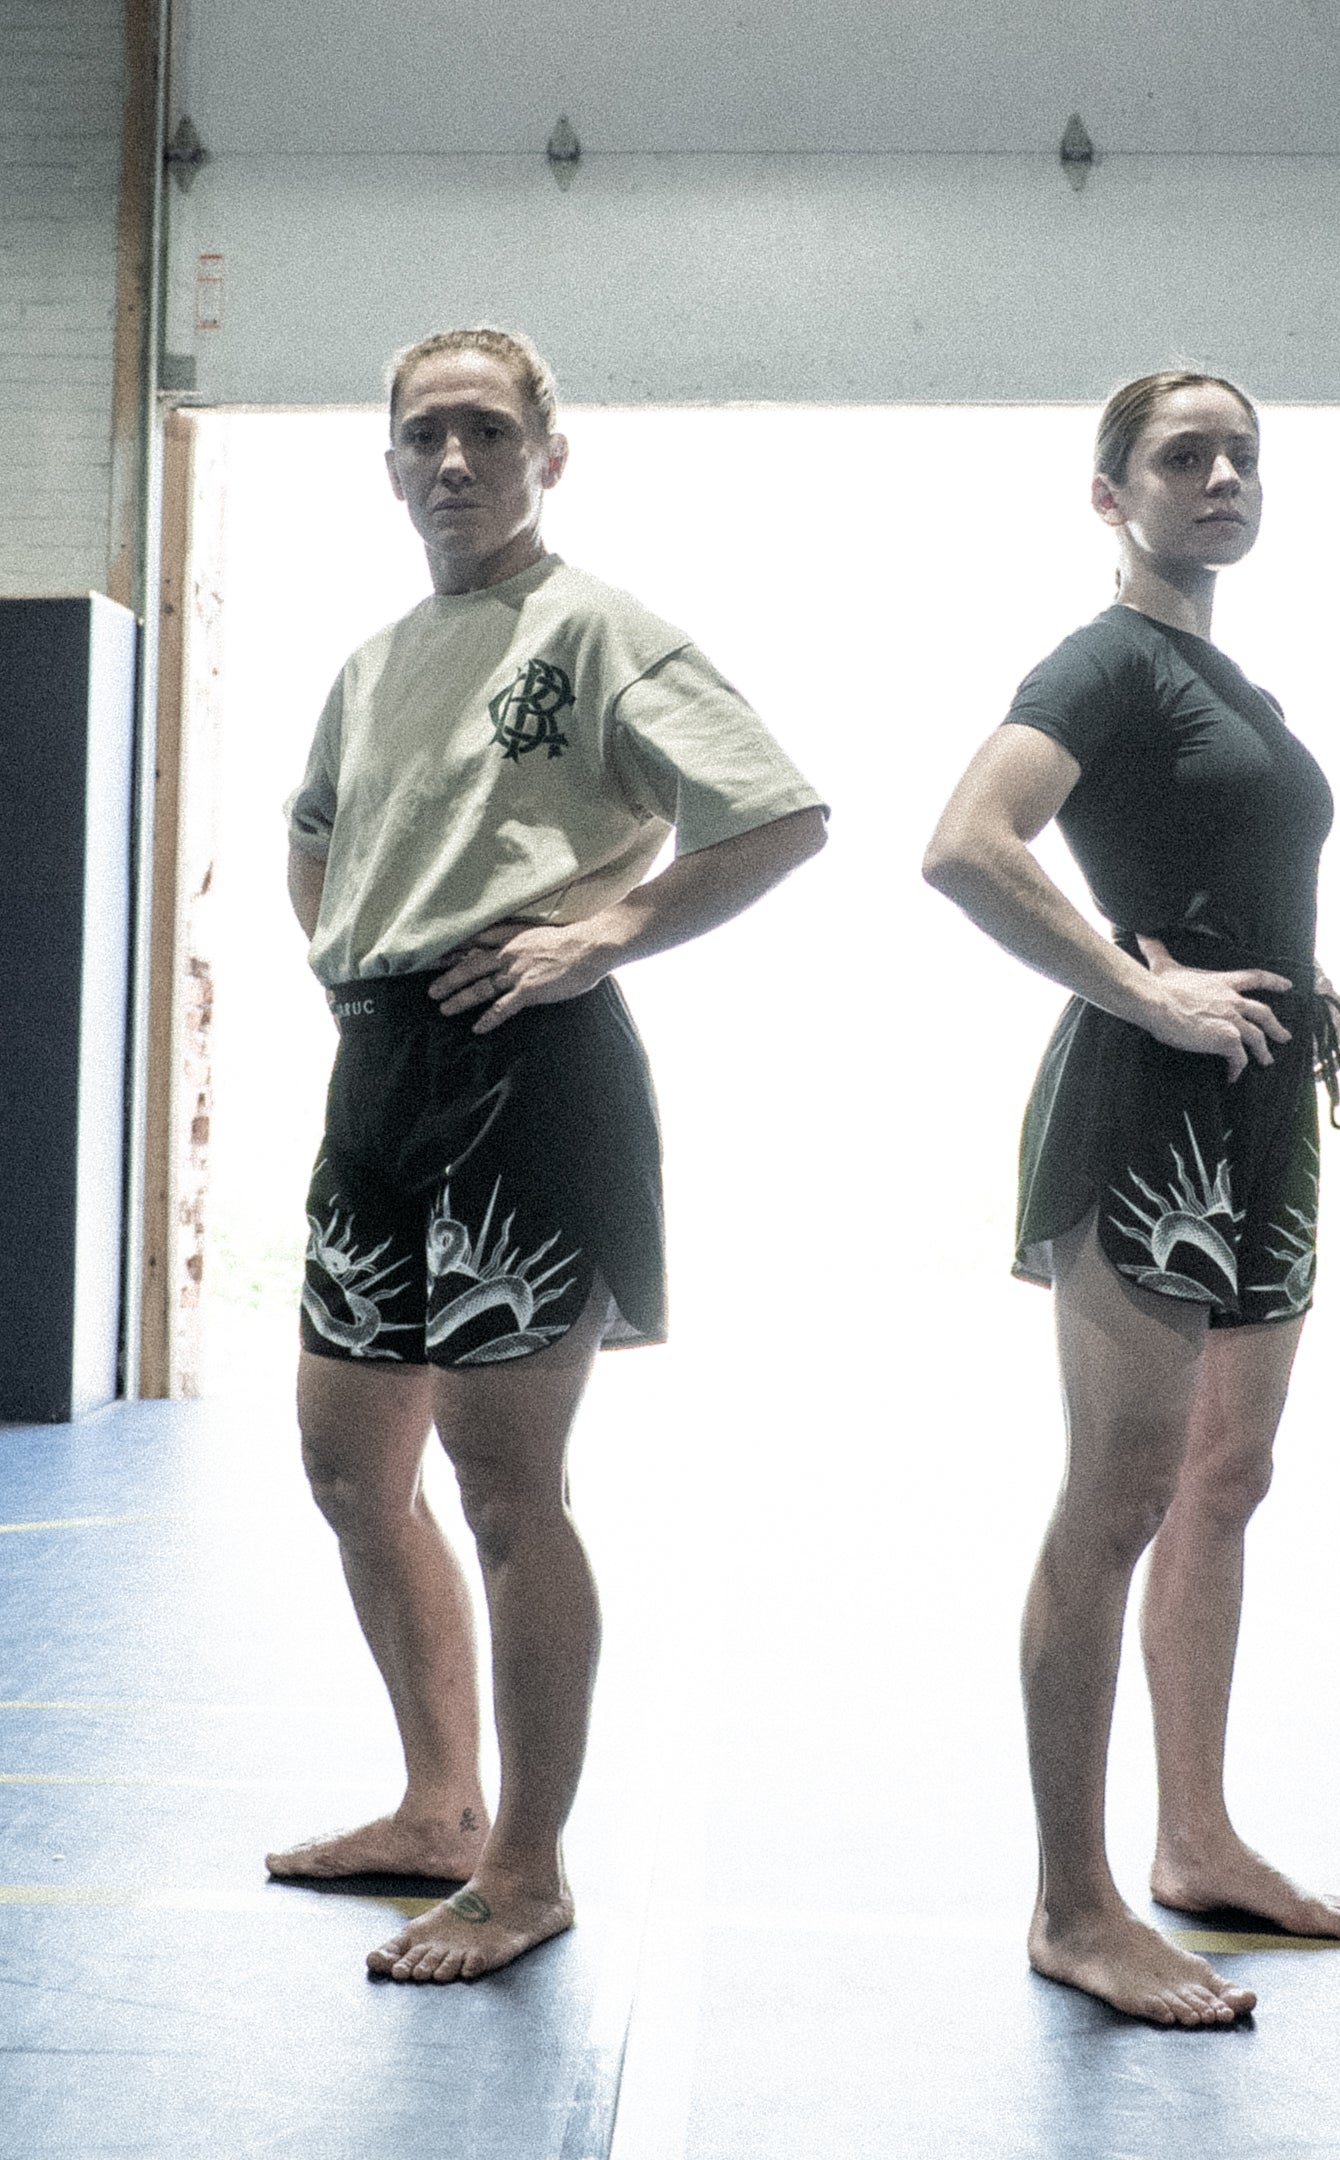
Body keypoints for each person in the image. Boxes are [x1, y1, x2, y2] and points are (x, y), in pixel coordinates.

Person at [266, 325, 826, 1984]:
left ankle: (525, 1868)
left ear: (547, 456)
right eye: (426, 434)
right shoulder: (374, 663)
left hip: (531, 1076)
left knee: (507, 1489)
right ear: (389, 465)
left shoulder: (597, 629)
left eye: (489, 432)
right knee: (350, 1471)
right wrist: (355, 967)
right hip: (382, 1074)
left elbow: (779, 815)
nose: (456, 459)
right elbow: (315, 839)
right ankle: (438, 1807)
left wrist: (601, 936)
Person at [922, 371, 1340, 2029]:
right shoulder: (1103, 661)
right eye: (1185, 456)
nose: (1224, 476)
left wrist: (1272, 998)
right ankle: (1074, 1903)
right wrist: (1145, 988)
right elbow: (967, 843)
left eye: (1243, 453)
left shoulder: (1230, 676)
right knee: (1117, 1498)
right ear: (1111, 495)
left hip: (1263, 1111)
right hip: (1147, 1109)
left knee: (1225, 1481)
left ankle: (1197, 1841)